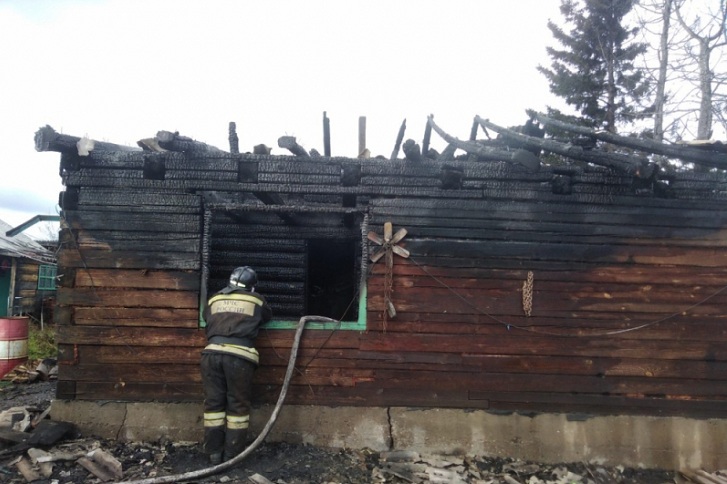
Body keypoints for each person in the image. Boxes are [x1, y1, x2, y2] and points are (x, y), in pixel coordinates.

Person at [200, 266, 272, 464]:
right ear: (251, 286)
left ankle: (214, 453)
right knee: (237, 406)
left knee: (213, 404)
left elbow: (206, 318)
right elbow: (267, 317)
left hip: (211, 355)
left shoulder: (214, 299)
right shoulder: (256, 300)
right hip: (239, 358)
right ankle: (232, 455)